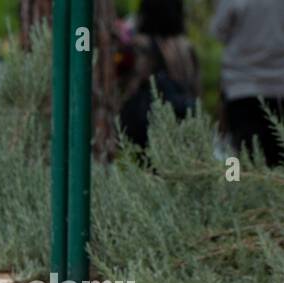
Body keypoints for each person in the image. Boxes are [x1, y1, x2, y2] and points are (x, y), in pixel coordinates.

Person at [119, 0, 201, 150]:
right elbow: (194, 88)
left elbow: (131, 85)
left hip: (146, 125)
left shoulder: (140, 45)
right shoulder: (186, 47)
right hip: (180, 121)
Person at [212, 0, 284, 166]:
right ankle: (271, 189)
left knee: (235, 150)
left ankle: (232, 188)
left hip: (240, 85)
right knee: (274, 152)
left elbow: (218, 31)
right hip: (279, 86)